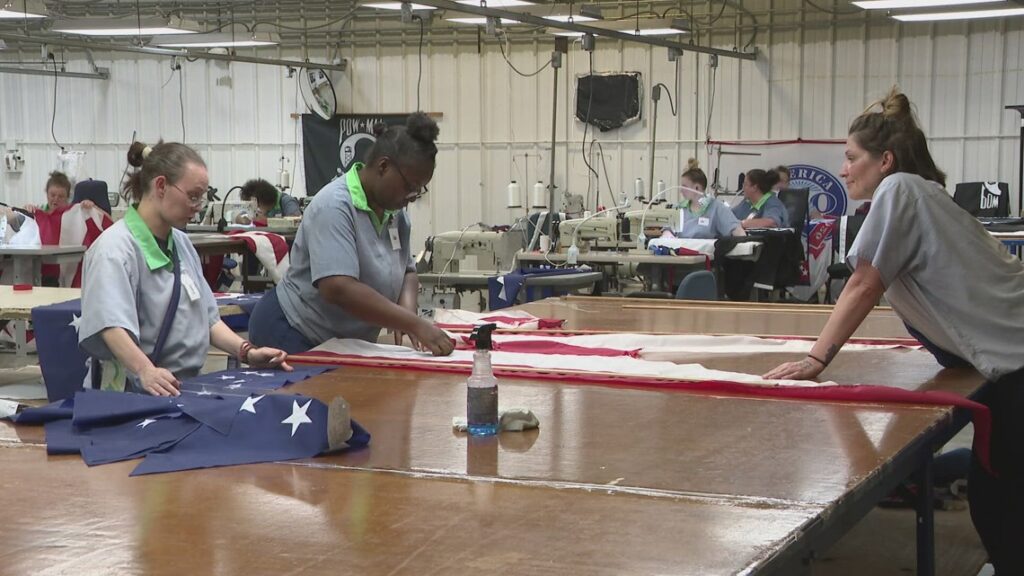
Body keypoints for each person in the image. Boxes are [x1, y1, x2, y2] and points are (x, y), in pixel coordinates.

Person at [764, 88, 1024, 574]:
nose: (843, 170)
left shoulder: (898, 190)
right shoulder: (922, 194)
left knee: (1002, 497)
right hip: (1008, 358)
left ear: (884, 160)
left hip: (1018, 363)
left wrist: (816, 359)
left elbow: (864, 283)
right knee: (996, 488)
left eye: (850, 158)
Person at [79, 141, 291, 397]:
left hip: (181, 388)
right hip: (135, 392)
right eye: (193, 196)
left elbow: (208, 318)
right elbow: (110, 326)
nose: (197, 206)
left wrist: (247, 352)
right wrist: (146, 371)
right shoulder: (113, 250)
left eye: (201, 197)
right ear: (160, 186)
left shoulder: (181, 244)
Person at [248, 113, 454, 357]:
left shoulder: (396, 215)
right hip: (295, 331)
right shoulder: (334, 206)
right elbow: (338, 287)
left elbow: (407, 271)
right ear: (383, 167)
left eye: (419, 190)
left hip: (345, 342)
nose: (412, 196)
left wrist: (407, 315)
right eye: (409, 186)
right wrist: (414, 324)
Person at [663, 160, 745, 239]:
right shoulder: (679, 208)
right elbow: (668, 229)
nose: (681, 190)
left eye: (684, 187)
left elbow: (736, 229)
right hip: (680, 251)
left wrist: (745, 245)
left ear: (696, 188)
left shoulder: (716, 208)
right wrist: (667, 234)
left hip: (706, 252)